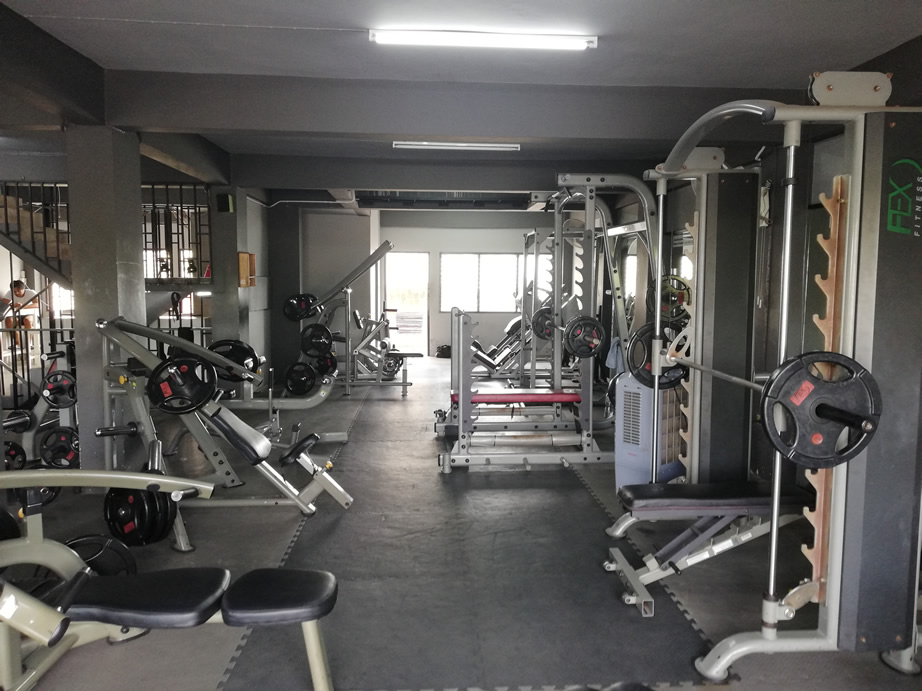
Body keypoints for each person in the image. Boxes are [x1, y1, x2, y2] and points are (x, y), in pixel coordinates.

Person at [1, 280, 39, 349]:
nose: (16, 293)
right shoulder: (10, 293)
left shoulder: (31, 292)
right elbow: (3, 304)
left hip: (30, 314)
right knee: (9, 320)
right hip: (17, 315)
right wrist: (12, 305)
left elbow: (38, 304)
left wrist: (24, 306)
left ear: (23, 289)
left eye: (18, 291)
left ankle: (29, 343)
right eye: (14, 291)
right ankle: (17, 344)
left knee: (27, 320)